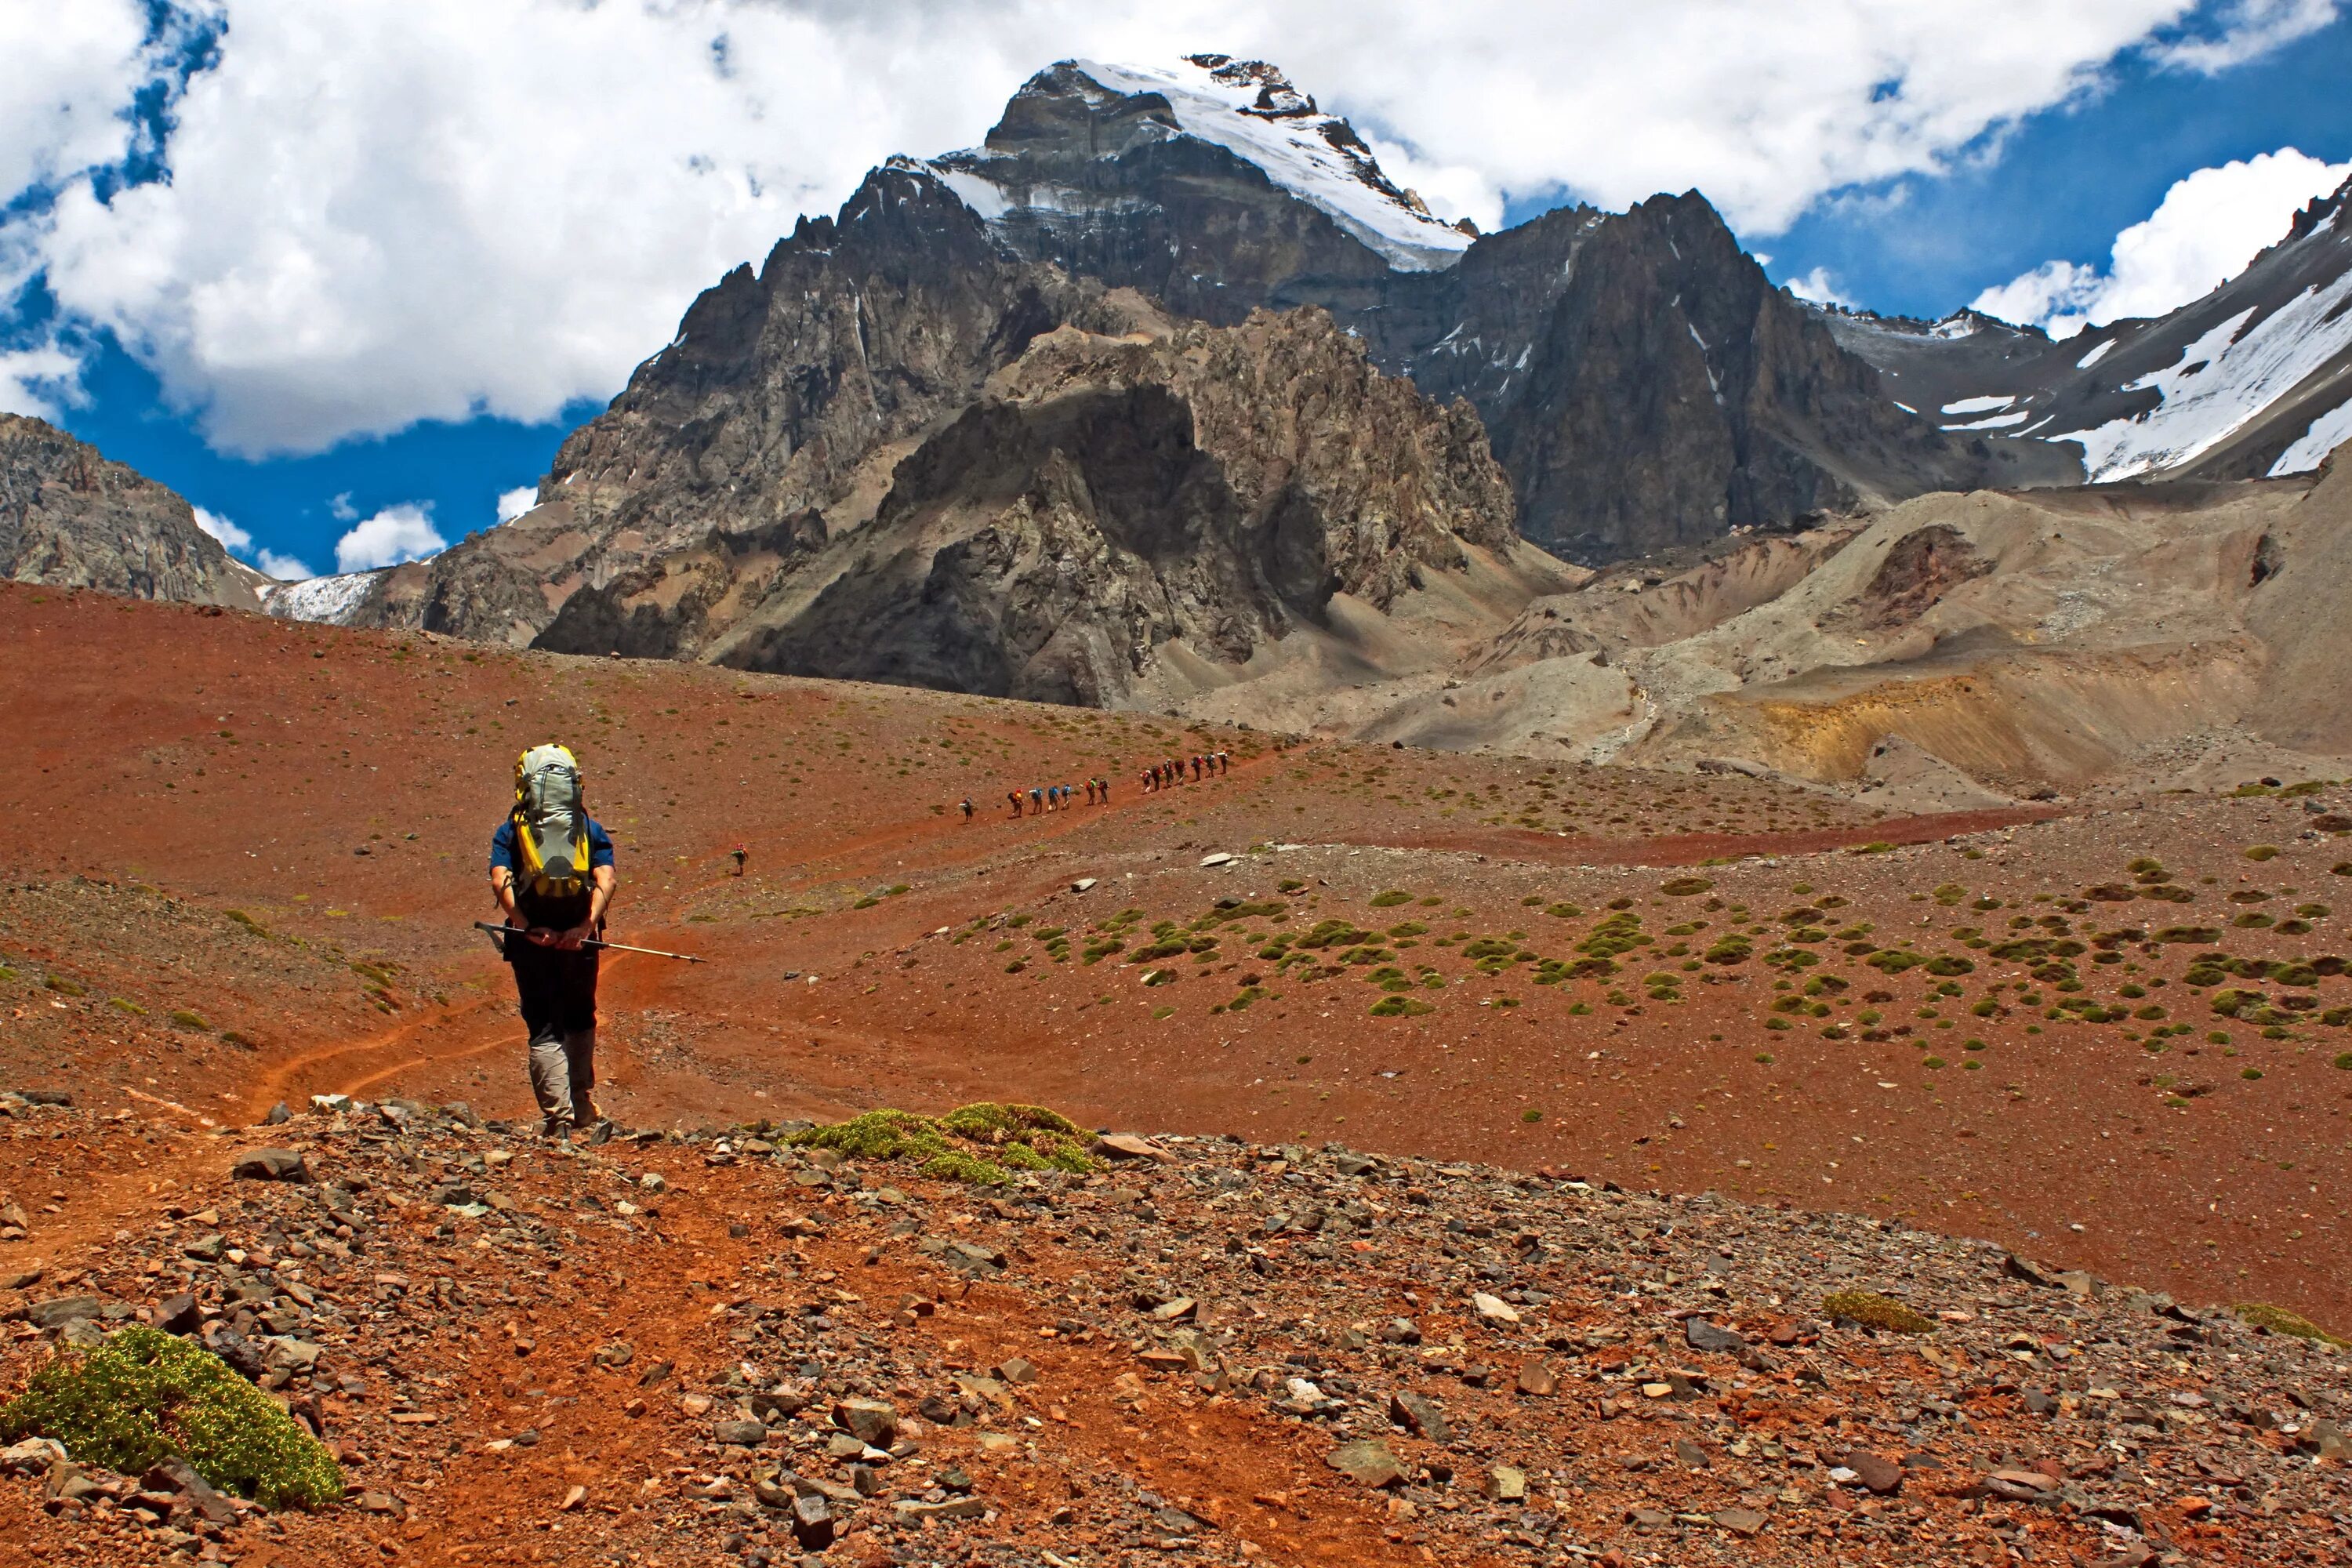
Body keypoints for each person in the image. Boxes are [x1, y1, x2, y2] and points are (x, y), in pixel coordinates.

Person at [488, 745, 616, 1139]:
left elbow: (500, 881)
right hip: (582, 944)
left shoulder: (511, 829)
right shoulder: (588, 828)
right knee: (581, 1017)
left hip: (530, 943)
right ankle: (582, 1105)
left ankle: (557, 1117)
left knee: (543, 1026)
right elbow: (606, 880)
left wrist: (526, 925)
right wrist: (583, 927)